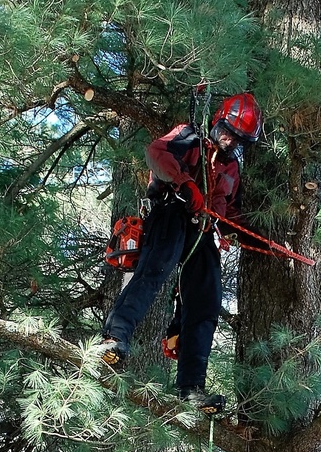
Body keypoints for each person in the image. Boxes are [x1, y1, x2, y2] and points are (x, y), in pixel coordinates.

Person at [98, 93, 262, 411]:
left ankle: (191, 387)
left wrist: (248, 236)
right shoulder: (189, 137)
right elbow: (156, 153)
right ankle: (114, 337)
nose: (230, 140)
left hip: (202, 231)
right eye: (228, 130)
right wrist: (186, 183)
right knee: (153, 272)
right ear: (218, 120)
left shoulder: (232, 169)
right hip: (171, 212)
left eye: (238, 139)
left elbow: (231, 213)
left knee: (206, 301)